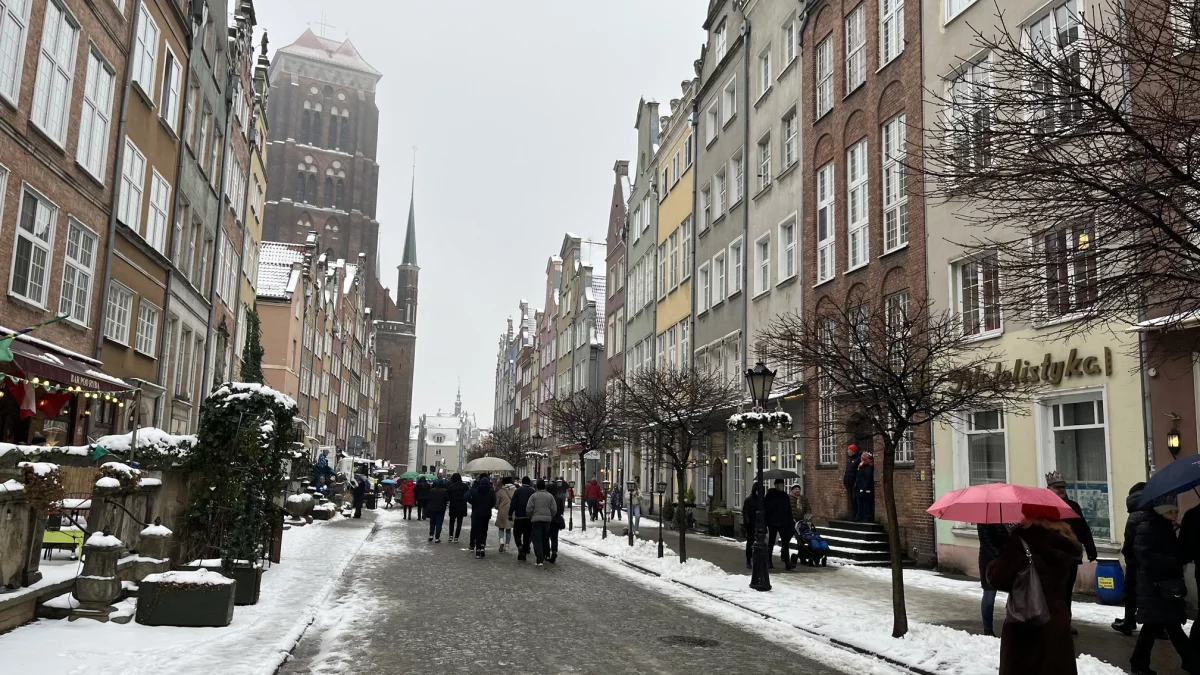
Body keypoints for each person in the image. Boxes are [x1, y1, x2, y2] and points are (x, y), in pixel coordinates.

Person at [985, 508, 1083, 675]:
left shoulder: (1022, 540)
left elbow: (999, 579)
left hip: (1027, 622)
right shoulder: (1065, 541)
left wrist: (995, 564)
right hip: (1057, 619)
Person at [1130, 494, 1200, 675]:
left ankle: (1138, 663)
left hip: (1164, 586)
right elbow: (1144, 555)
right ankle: (1193, 663)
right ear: (1160, 511)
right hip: (1155, 586)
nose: (1175, 514)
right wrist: (1173, 560)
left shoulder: (1165, 527)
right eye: (1170, 511)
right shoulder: (1148, 527)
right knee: (1172, 626)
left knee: (1153, 626)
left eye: (1176, 510)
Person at [1046, 471, 1097, 633]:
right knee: (1053, 591)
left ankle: (1065, 622)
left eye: (1063, 487)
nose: (1061, 490)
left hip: (1070, 556)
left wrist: (1090, 548)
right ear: (1049, 488)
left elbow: (1083, 529)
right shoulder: (1045, 508)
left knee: (1067, 591)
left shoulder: (1073, 506)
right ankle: (1051, 622)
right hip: (1052, 557)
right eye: (1057, 487)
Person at [1114, 482, 1148, 636]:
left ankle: (1128, 622)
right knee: (1149, 593)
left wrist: (1127, 555)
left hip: (1134, 561)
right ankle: (1157, 627)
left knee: (1130, 591)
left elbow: (1129, 540)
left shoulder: (1134, 515)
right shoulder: (1150, 512)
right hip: (1148, 561)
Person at [977, 523, 1010, 637]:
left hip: (1007, 561)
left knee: (1014, 594)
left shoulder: (1008, 519)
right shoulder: (984, 520)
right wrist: (1000, 556)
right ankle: (988, 629)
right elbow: (985, 541)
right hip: (989, 562)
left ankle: (1012, 625)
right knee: (989, 595)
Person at [764, 478, 795, 570]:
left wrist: (790, 521)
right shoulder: (770, 495)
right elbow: (767, 509)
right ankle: (768, 560)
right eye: (781, 484)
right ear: (777, 485)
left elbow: (788, 509)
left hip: (784, 522)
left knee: (785, 543)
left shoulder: (785, 496)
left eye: (783, 484)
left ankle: (787, 562)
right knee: (771, 542)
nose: (783, 486)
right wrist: (766, 522)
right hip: (773, 522)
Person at [527, 479, 557, 566]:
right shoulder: (550, 496)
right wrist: (549, 516)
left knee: (537, 539)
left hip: (536, 520)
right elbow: (554, 509)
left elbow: (529, 509)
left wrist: (531, 516)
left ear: (537, 487)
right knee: (545, 538)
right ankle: (545, 555)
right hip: (547, 521)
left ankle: (539, 558)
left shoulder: (533, 496)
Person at [467, 475, 496, 558]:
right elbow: (494, 501)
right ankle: (483, 545)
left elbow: (469, 498)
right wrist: (489, 507)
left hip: (477, 513)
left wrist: (473, 504)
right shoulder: (490, 491)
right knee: (484, 530)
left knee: (478, 531)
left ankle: (478, 548)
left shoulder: (476, 491)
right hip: (486, 514)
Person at [510, 477, 536, 561]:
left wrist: (510, 514)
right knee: (527, 535)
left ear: (522, 482)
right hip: (529, 518)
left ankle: (519, 546)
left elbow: (513, 503)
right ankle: (524, 551)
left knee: (517, 533)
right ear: (529, 483)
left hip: (519, 517)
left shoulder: (517, 491)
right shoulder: (533, 491)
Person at [742, 482, 762, 569]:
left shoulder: (761, 500)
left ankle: (757, 559)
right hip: (751, 525)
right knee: (750, 543)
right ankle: (748, 559)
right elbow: (745, 512)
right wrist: (747, 522)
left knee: (760, 543)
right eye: (757, 490)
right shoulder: (749, 500)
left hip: (759, 524)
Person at [494, 477, 515, 553]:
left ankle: (501, 540)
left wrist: (497, 507)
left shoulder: (500, 491)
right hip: (511, 512)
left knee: (501, 527)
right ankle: (507, 546)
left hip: (502, 511)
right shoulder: (515, 491)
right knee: (508, 529)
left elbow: (496, 503)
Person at [446, 473, 469, 543]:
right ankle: (456, 537)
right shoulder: (465, 486)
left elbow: (448, 496)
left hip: (453, 505)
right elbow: (467, 496)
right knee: (459, 522)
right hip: (462, 506)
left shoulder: (451, 487)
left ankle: (450, 536)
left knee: (452, 521)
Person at [548, 480, 566, 564]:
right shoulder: (559, 498)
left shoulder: (547, 498)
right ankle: (554, 551)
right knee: (554, 538)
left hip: (547, 520)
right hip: (556, 520)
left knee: (546, 537)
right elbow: (562, 509)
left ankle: (547, 553)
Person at [855, 452, 876, 523]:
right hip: (860, 487)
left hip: (866, 489)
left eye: (862, 458)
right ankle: (860, 516)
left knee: (867, 503)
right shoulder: (861, 466)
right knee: (860, 502)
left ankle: (867, 517)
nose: (861, 459)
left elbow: (868, 478)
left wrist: (863, 488)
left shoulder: (868, 467)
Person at [843, 444, 862, 520]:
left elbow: (857, 472)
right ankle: (853, 515)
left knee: (855, 499)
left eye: (849, 450)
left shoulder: (857, 460)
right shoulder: (849, 459)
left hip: (855, 483)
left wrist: (856, 482)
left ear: (853, 451)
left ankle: (857, 515)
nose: (847, 451)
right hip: (849, 482)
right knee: (852, 499)